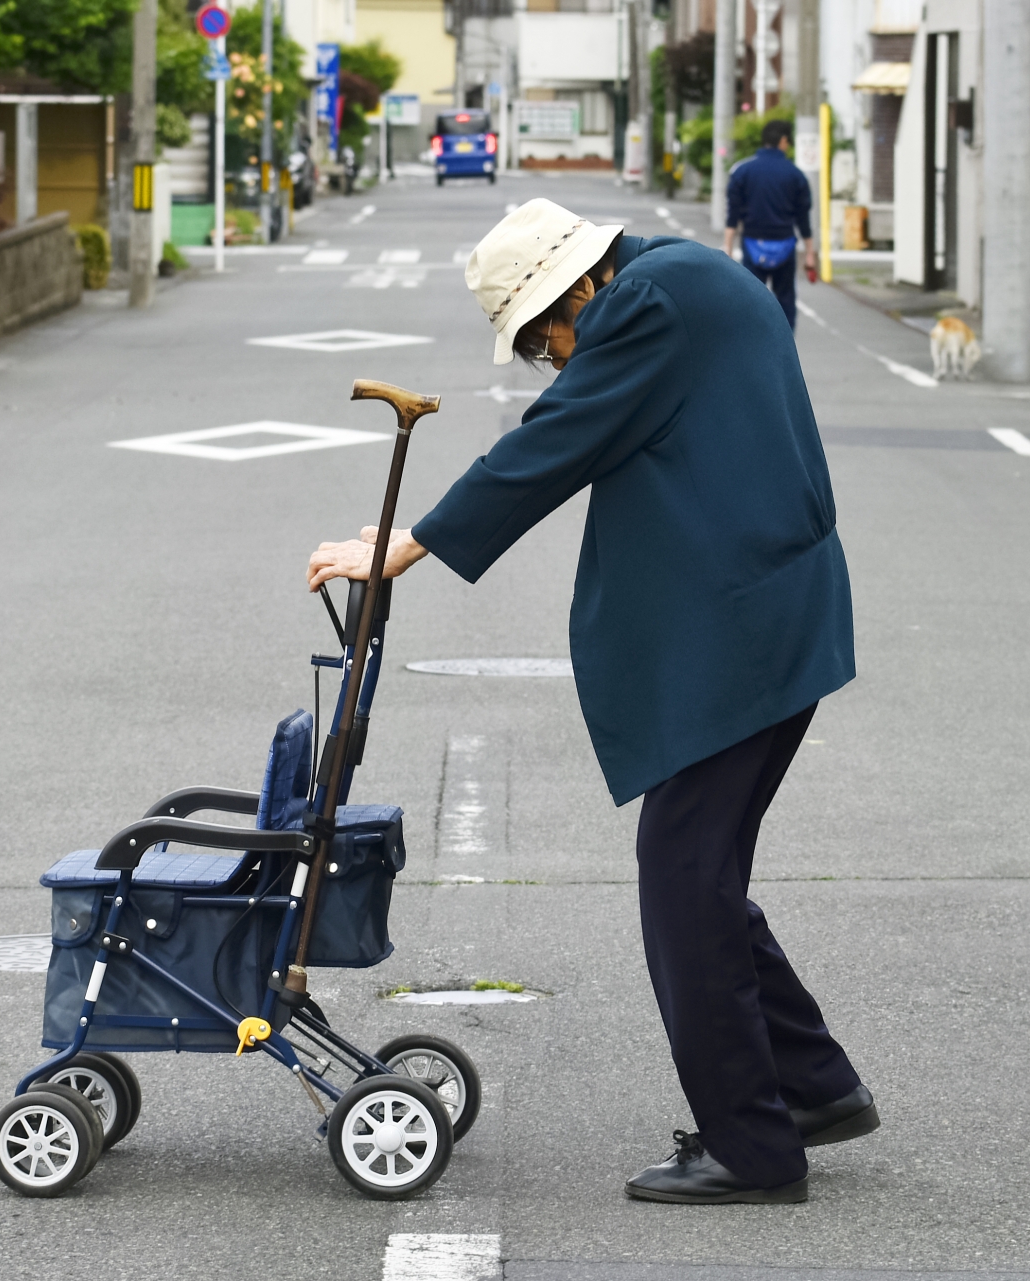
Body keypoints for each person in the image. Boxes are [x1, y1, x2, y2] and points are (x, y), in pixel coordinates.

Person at [307, 199, 878, 1205]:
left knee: (683, 881)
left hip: (744, 633)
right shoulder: (682, 281)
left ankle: (753, 1147)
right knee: (700, 874)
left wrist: (404, 548)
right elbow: (584, 428)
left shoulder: (649, 303)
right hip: (764, 618)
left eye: (544, 340)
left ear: (574, 289)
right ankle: (811, 1088)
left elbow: (557, 441)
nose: (554, 361)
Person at [723, 119, 816, 329]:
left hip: (753, 243)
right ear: (783, 141)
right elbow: (803, 219)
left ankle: (754, 344)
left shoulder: (743, 172)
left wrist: (727, 246)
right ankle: (785, 348)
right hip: (785, 243)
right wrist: (810, 252)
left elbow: (733, 214)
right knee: (785, 299)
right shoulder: (795, 175)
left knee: (752, 298)